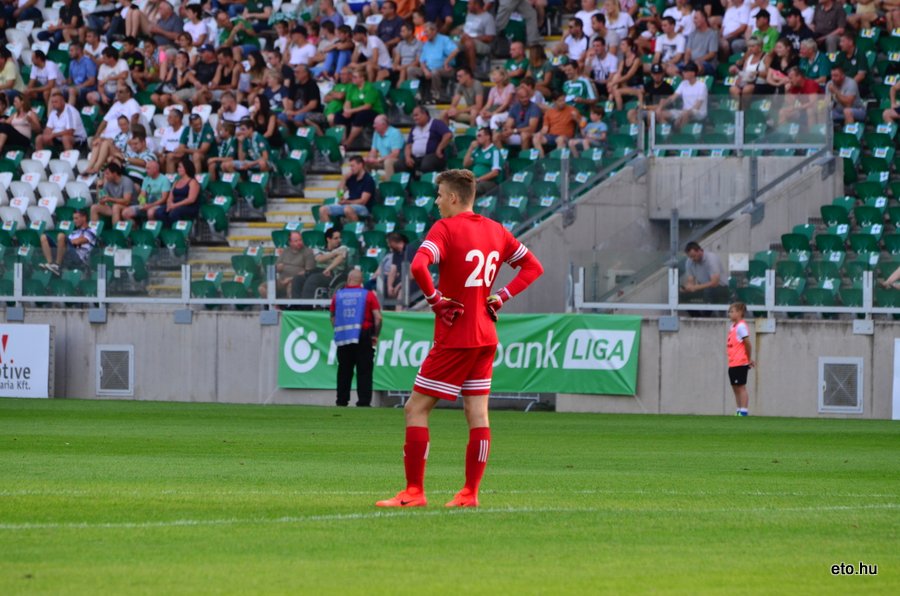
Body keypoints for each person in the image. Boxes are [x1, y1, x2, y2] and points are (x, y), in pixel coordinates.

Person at [375, 168, 544, 509]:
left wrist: (436, 301)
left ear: (453, 197)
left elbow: (419, 267)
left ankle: (414, 491)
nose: (436, 202)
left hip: (456, 335)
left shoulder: (445, 229)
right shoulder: (496, 230)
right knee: (478, 414)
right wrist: (502, 296)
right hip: (485, 334)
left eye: (438, 196)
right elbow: (533, 267)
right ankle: (469, 493)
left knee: (415, 408)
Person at [330, 269, 383, 407]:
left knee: (344, 370)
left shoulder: (338, 296)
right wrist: (375, 336)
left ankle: (341, 401)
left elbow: (333, 317)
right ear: (361, 281)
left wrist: (339, 331)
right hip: (363, 335)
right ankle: (364, 401)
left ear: (348, 279)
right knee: (364, 370)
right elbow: (378, 317)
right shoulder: (368, 295)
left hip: (344, 337)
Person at [259, 230, 317, 299]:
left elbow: (308, 272)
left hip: (297, 282)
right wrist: (277, 268)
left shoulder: (308, 252)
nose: (299, 243)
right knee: (262, 288)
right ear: (290, 242)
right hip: (281, 281)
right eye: (296, 241)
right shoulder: (285, 251)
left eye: (300, 240)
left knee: (291, 286)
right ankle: (274, 306)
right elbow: (275, 268)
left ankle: (289, 308)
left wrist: (291, 279)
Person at [320, 155, 376, 223]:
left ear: (360, 165)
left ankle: (357, 232)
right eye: (350, 166)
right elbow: (340, 194)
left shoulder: (368, 180)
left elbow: (363, 201)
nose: (351, 168)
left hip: (364, 208)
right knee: (323, 209)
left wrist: (347, 202)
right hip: (349, 205)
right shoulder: (351, 178)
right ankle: (332, 232)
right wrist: (344, 179)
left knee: (347, 209)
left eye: (353, 166)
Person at [39, 209, 96, 275]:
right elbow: (66, 243)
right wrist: (62, 244)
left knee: (61, 236)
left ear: (84, 218)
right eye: (73, 219)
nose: (74, 221)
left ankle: (57, 265)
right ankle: (50, 264)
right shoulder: (74, 232)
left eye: (76, 218)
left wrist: (64, 243)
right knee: (43, 237)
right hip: (67, 254)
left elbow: (79, 241)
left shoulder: (91, 230)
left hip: (79, 258)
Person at [679, 241, 730, 314]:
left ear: (699, 251)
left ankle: (708, 314)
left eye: (694, 256)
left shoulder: (711, 259)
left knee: (709, 292)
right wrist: (687, 288)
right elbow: (691, 281)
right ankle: (696, 317)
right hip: (703, 288)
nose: (692, 259)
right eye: (690, 257)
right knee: (685, 296)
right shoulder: (689, 261)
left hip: (720, 287)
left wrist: (696, 287)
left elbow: (715, 283)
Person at [403, 106, 453, 174]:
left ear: (425, 114)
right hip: (416, 157)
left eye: (416, 115)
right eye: (413, 116)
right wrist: (408, 157)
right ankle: (413, 181)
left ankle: (431, 182)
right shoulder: (414, 128)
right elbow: (408, 145)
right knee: (399, 165)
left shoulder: (436, 123)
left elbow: (448, 135)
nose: (415, 118)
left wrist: (439, 148)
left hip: (433, 155)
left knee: (426, 164)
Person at [301, 227, 349, 298]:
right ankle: (295, 305)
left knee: (313, 278)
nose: (339, 240)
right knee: (298, 279)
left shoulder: (343, 248)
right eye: (336, 238)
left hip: (333, 274)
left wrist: (328, 269)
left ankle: (306, 306)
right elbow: (320, 259)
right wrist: (334, 254)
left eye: (340, 238)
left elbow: (340, 258)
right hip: (317, 271)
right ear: (328, 239)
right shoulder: (319, 249)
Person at [152, 157, 201, 226]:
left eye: (180, 167)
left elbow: (191, 199)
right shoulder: (176, 182)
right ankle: (168, 230)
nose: (178, 169)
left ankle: (177, 231)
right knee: (159, 212)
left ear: (186, 168)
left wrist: (175, 205)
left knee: (174, 212)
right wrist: (169, 204)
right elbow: (170, 196)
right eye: (178, 167)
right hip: (174, 204)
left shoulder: (193, 182)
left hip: (188, 206)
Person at [656, 63, 708, 127]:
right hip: (684, 111)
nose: (683, 73)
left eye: (685, 71)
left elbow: (697, 106)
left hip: (698, 113)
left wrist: (682, 115)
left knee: (686, 113)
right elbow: (672, 97)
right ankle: (669, 133)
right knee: (661, 114)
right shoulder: (683, 83)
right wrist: (661, 105)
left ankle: (680, 134)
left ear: (693, 73)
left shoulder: (702, 86)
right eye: (683, 71)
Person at [120, 159, 170, 224]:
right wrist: (142, 203)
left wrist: (150, 205)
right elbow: (142, 194)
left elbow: (164, 199)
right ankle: (135, 229)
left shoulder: (164, 179)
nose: (146, 170)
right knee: (125, 213)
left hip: (158, 205)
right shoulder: (146, 179)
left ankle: (152, 232)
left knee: (150, 212)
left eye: (148, 168)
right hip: (147, 204)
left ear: (155, 169)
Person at [726, 302, 754, 417]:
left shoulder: (741, 327)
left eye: (732, 311)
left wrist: (748, 359)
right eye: (729, 312)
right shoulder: (732, 327)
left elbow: (747, 344)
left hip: (740, 362)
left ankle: (744, 411)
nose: (730, 314)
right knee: (735, 387)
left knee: (741, 387)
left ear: (740, 313)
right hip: (732, 362)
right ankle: (738, 409)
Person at [463, 127, 503, 194]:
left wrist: (478, 180)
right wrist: (471, 148)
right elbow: (466, 164)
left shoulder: (494, 151)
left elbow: (495, 172)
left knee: (472, 189)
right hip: (475, 180)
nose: (477, 138)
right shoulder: (477, 150)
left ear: (487, 137)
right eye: (477, 136)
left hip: (489, 182)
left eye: (479, 135)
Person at [365, 114, 404, 179]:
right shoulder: (376, 133)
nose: (373, 126)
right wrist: (371, 159)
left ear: (384, 124)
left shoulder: (395, 133)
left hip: (398, 160)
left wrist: (379, 160)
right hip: (383, 160)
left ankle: (389, 186)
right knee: (364, 163)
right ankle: (370, 185)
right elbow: (373, 150)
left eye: (375, 124)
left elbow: (395, 154)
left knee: (388, 162)